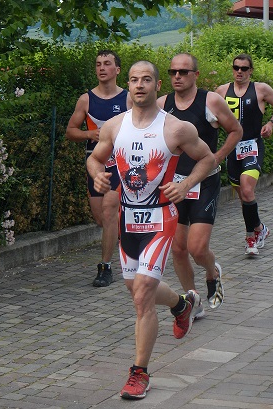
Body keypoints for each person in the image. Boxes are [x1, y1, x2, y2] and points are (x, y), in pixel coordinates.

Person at [87, 60, 215, 399]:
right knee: (137, 290)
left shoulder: (176, 128)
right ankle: (180, 305)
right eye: (133, 80)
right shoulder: (114, 126)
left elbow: (208, 158)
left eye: (146, 80)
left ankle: (139, 373)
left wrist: (185, 182)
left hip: (160, 219)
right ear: (127, 86)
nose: (139, 85)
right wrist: (98, 172)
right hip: (128, 221)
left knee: (142, 295)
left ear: (158, 86)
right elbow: (96, 158)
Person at [157, 53, 242, 313]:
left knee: (197, 248)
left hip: (204, 182)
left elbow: (236, 130)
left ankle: (211, 269)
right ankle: (192, 301)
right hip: (174, 186)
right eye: (173, 72)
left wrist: (216, 157)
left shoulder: (211, 101)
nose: (177, 76)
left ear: (195, 74)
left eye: (183, 72)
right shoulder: (162, 104)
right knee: (179, 249)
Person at [66, 50, 132, 287]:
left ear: (117, 70)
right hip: (95, 163)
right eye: (98, 64)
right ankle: (129, 238)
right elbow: (70, 131)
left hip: (121, 164)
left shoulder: (128, 98)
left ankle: (105, 267)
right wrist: (88, 133)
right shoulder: (86, 100)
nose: (102, 68)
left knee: (109, 209)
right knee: (101, 217)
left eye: (107, 64)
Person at [216, 53, 273, 255]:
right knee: (244, 198)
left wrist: (271, 123)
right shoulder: (222, 91)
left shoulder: (261, 89)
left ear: (250, 71)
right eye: (236, 67)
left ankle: (250, 239)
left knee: (247, 190)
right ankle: (259, 230)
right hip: (231, 148)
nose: (239, 71)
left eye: (244, 68)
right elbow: (210, 113)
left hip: (253, 145)